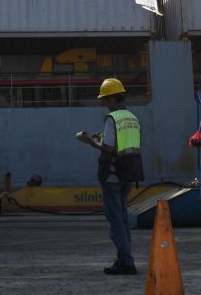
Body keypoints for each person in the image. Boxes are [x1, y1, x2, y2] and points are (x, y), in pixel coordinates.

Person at [75, 77, 143, 275]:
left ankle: (127, 262)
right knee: (122, 218)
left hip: (112, 175)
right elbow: (126, 145)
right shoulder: (132, 117)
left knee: (115, 220)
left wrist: (91, 142)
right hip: (129, 174)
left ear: (113, 99)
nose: (104, 104)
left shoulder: (111, 119)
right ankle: (124, 258)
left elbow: (109, 148)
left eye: (105, 100)